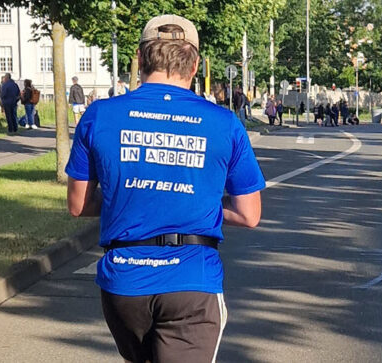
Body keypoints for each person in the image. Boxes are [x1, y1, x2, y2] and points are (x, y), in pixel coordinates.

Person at [65, 15, 264, 363]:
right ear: (195, 64)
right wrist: (191, 203)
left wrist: (130, 198)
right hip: (191, 281)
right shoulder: (225, 124)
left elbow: (78, 204)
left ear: (140, 59)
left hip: (124, 281)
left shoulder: (99, 115)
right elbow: (249, 214)